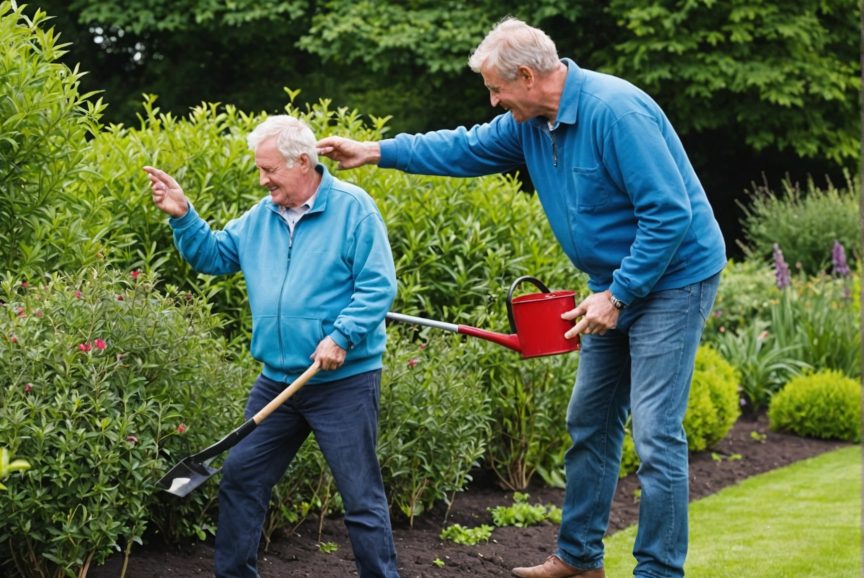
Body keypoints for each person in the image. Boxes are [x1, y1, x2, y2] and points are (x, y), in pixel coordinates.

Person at [317, 16, 725, 578]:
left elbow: (669, 214)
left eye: (496, 88)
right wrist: (375, 151)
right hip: (614, 285)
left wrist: (620, 296)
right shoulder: (532, 123)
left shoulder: (615, 112)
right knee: (590, 422)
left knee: (656, 434)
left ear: (528, 76)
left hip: (674, 277)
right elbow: (462, 149)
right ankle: (580, 559)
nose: (492, 101)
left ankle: (657, 571)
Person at [145, 115, 400, 578]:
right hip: (278, 382)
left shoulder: (353, 209)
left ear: (303, 162)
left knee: (360, 498)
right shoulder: (261, 217)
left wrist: (341, 336)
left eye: (270, 171)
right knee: (242, 479)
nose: (263, 180)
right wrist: (184, 216)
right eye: (260, 170)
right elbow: (216, 255)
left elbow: (378, 286)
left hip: (342, 383)